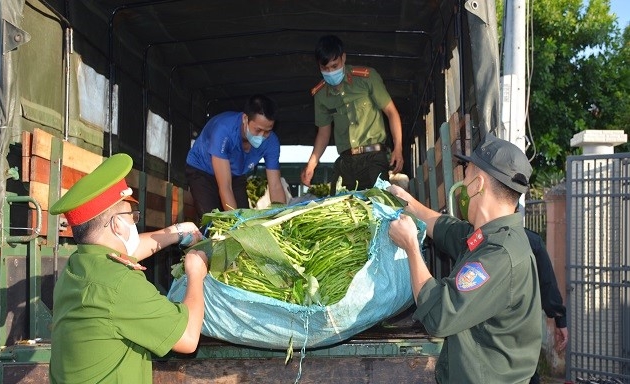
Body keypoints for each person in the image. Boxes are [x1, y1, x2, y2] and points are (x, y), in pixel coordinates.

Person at [387, 133, 542, 383]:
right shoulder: (488, 236)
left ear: (477, 184)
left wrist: (411, 248)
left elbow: (438, 315)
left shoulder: (499, 256)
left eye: (466, 175)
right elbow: (443, 227)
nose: (462, 183)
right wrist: (407, 202)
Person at [49, 153, 208, 383]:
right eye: (132, 216)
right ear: (116, 224)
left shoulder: (79, 265)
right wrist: (196, 273)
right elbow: (188, 337)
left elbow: (127, 252)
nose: (135, 221)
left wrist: (177, 232)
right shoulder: (120, 284)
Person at [301, 34, 403, 193]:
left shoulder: (367, 78)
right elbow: (323, 132)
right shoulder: (320, 95)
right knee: (336, 204)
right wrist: (311, 164)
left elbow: (391, 112)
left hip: (374, 157)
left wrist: (398, 147)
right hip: (346, 161)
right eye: (325, 68)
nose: (330, 72)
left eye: (334, 66)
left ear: (343, 58)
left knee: (378, 203)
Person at [186, 94, 286, 218]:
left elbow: (275, 186)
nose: (262, 136)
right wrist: (235, 224)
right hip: (202, 171)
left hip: (235, 175)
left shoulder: (272, 142)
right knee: (212, 221)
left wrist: (282, 218)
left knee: (245, 219)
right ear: (245, 119)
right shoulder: (223, 130)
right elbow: (225, 187)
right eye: (258, 130)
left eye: (267, 131)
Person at [525, 228, 569, 384]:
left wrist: (560, 318)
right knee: (526, 372)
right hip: (523, 327)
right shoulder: (530, 239)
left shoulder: (474, 237)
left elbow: (547, 282)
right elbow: (547, 282)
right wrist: (560, 319)